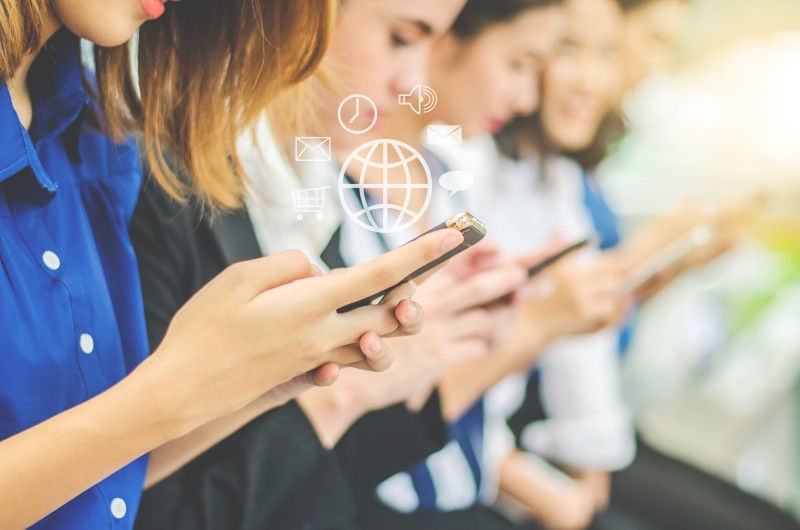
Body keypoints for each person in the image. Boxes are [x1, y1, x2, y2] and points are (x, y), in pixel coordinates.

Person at [0, 1, 465, 528]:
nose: (412, 83)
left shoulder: (93, 135)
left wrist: (250, 385)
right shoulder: (147, 168)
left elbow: (98, 482)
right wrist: (172, 392)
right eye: (401, 37)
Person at [131, 1, 516, 528]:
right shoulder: (158, 183)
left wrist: (427, 360)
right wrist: (348, 394)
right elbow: (147, 508)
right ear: (305, 12)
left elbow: (332, 480)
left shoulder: (311, 191)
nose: (413, 83)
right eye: (401, 38)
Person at [502, 0, 800, 528]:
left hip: (575, 430)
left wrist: (668, 264)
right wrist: (648, 254)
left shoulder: (567, 182)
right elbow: (548, 336)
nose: (592, 78)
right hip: (532, 437)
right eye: (654, 41)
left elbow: (591, 332)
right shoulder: (502, 182)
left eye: (605, 54)